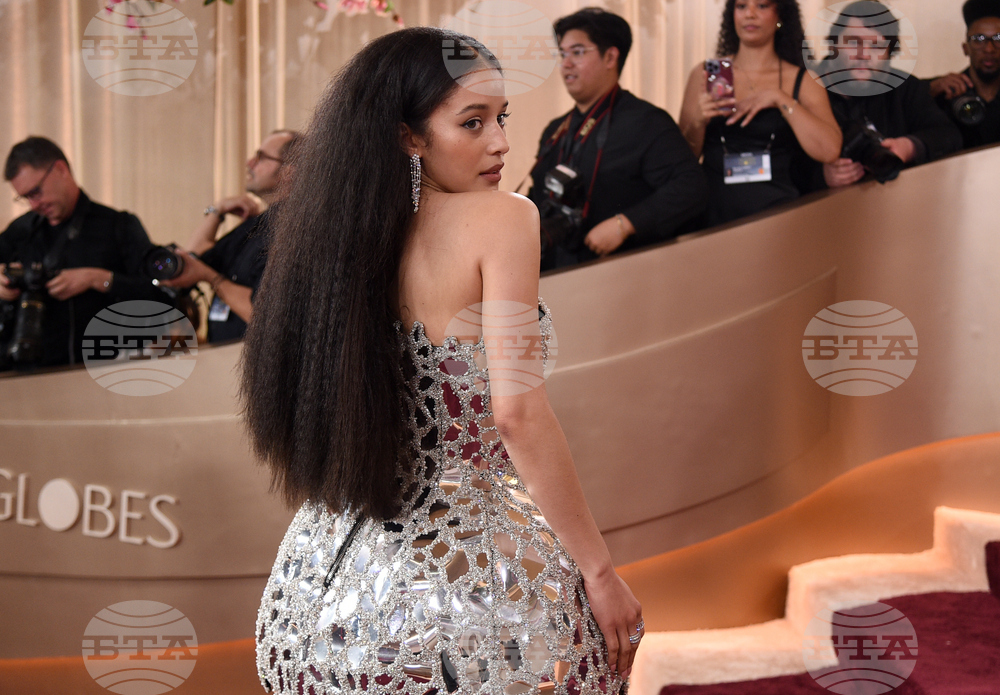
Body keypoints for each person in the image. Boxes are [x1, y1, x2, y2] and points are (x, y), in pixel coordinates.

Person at [241, 27, 643, 695]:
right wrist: (599, 572)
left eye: (502, 118)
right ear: (409, 136)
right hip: (472, 596)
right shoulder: (504, 219)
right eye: (473, 122)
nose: (501, 142)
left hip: (323, 594)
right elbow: (517, 415)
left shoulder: (334, 233)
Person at [527, 8, 707, 270]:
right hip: (557, 271)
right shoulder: (556, 130)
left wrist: (626, 224)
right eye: (562, 54)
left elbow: (692, 187)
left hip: (625, 273)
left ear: (610, 56)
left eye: (577, 52)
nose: (566, 63)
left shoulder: (646, 122)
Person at [0, 136, 163, 369]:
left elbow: (160, 297)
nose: (34, 205)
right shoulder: (21, 231)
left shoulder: (118, 226)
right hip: (26, 376)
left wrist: (99, 279)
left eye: (36, 192)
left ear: (60, 169)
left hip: (104, 374)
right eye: (25, 197)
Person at [679, 0, 842, 227]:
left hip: (778, 214)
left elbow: (830, 150)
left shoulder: (802, 80)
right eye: (742, 6)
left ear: (780, 15)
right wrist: (697, 123)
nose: (750, 14)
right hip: (713, 213)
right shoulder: (707, 73)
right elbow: (682, 163)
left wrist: (781, 99)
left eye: (762, 6)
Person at [160, 130, 299, 343]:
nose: (249, 163)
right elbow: (193, 258)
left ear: (289, 171)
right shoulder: (257, 224)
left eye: (261, 157)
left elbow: (264, 316)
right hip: (223, 360)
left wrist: (211, 278)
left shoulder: (297, 229)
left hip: (256, 363)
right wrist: (217, 211)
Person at [818, 1, 963, 188]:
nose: (864, 55)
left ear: (889, 53)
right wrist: (821, 176)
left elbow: (949, 135)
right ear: (834, 44)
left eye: (877, 47)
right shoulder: (805, 88)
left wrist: (910, 147)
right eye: (854, 43)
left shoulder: (906, 88)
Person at [926, 0, 1000, 150]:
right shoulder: (943, 91)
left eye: (998, 38)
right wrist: (927, 93)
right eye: (979, 39)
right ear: (965, 48)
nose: (989, 49)